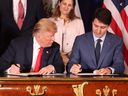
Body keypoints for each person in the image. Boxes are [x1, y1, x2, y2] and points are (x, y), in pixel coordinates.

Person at [66, 8, 124, 75]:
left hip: (107, 82)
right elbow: (71, 63)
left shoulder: (116, 41)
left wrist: (109, 70)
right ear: (92, 22)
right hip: (83, 82)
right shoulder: (80, 40)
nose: (98, 31)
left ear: (108, 26)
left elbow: (120, 65)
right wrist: (73, 68)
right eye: (96, 26)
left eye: (102, 27)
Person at [0, 18, 65, 75]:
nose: (53, 39)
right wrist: (10, 69)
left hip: (44, 84)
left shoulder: (55, 47)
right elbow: (2, 63)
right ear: (39, 36)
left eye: (53, 35)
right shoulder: (18, 44)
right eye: (50, 36)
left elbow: (60, 66)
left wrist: (52, 67)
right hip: (21, 83)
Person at [50, 0, 85, 64]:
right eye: (64, 4)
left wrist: (70, 55)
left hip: (73, 58)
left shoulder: (79, 22)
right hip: (54, 58)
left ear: (72, 7)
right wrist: (60, 55)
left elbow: (82, 43)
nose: (66, 7)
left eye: (69, 5)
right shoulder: (50, 21)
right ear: (59, 4)